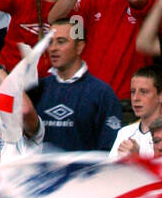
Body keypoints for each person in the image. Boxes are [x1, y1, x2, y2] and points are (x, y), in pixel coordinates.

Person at [31, 20, 123, 153]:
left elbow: (109, 149)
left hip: (85, 173)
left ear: (79, 46)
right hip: (41, 172)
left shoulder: (101, 93)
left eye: (61, 41)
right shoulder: (37, 89)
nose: (53, 48)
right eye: (50, 42)